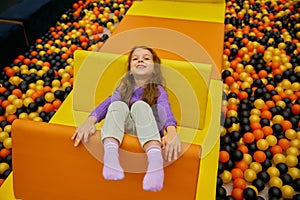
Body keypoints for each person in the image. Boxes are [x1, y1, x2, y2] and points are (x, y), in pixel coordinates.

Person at [72, 46, 181, 192]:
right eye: (135, 58)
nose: (140, 60)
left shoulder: (158, 90)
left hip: (150, 132)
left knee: (140, 106)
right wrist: (89, 121)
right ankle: (111, 156)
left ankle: (155, 161)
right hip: (126, 130)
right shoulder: (124, 88)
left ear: (155, 68)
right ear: (130, 68)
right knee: (116, 103)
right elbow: (106, 104)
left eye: (146, 58)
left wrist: (172, 132)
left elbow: (165, 108)